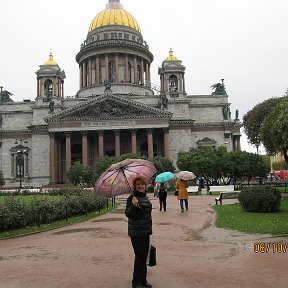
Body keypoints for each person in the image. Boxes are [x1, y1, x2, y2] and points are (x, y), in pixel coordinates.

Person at [125, 176, 153, 288]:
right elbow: (128, 214)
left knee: (144, 256)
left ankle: (143, 280)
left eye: (142, 184)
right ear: (135, 187)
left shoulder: (145, 196)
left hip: (146, 231)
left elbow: (146, 212)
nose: (140, 186)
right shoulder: (131, 198)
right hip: (136, 232)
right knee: (140, 256)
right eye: (138, 185)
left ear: (145, 186)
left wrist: (139, 205)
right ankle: (136, 282)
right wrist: (135, 205)